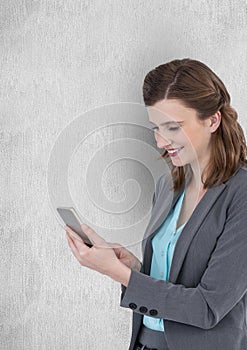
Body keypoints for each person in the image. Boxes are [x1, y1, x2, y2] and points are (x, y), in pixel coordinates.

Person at [65, 58, 247, 350]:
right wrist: (132, 267)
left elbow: (207, 307)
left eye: (173, 128)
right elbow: (174, 280)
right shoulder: (167, 186)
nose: (161, 142)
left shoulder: (241, 194)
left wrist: (117, 273)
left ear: (213, 120)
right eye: (156, 127)